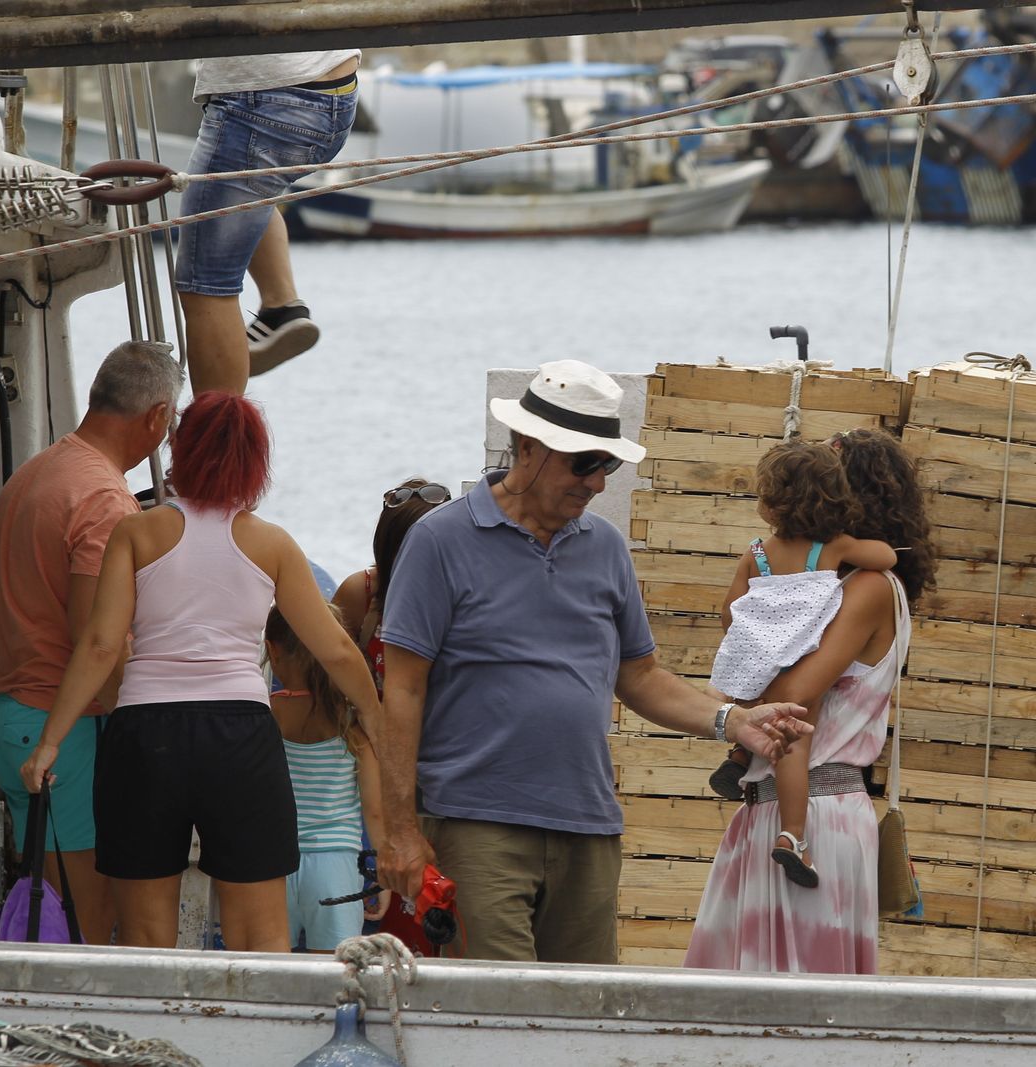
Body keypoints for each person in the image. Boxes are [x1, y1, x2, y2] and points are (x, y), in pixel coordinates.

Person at [372, 359, 810, 963]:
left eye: (606, 464)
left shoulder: (604, 547)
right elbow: (402, 692)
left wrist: (733, 721)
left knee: (584, 1018)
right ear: (527, 447)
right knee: (500, 1020)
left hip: (589, 825)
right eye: (584, 463)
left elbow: (641, 676)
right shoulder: (440, 541)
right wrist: (398, 831)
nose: (597, 482)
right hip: (477, 824)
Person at [19, 391, 383, 953]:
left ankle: (155, 1042)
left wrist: (49, 743)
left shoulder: (137, 533)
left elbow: (98, 645)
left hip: (145, 732)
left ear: (179, 449)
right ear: (255, 462)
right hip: (239, 733)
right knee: (259, 935)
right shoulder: (273, 544)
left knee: (144, 935)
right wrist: (380, 721)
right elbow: (335, 650)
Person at [684, 427, 938, 974]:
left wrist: (736, 679)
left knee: (796, 1004)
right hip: (770, 811)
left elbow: (795, 694)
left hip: (817, 817)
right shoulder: (821, 583)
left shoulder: (867, 586)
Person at [0, 340, 182, 946]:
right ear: (153, 418)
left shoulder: (33, 474)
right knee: (87, 928)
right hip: (62, 732)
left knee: (57, 912)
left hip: (16, 716)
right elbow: (94, 637)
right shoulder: (103, 499)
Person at [705, 440, 897, 889]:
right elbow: (886, 558)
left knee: (752, 718)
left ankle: (738, 753)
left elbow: (729, 610)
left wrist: (759, 641)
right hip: (803, 656)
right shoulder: (831, 547)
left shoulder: (757, 552)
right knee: (791, 745)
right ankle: (793, 837)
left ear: (769, 503)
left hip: (755, 659)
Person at [175, 51, 360, 395]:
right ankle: (281, 306)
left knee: (205, 286)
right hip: (334, 90)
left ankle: (216, 442)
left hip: (266, 99)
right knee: (254, 192)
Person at [265, 602, 388, 951]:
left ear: (273, 651)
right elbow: (374, 811)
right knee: (337, 973)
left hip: (275, 862)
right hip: (338, 865)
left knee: (270, 972)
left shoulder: (266, 713)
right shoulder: (353, 724)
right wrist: (382, 873)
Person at [331, 479, 452, 696]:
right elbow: (327, 683)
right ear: (387, 550)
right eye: (407, 548)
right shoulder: (361, 594)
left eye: (429, 547)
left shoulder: (467, 598)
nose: (418, 559)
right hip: (370, 728)